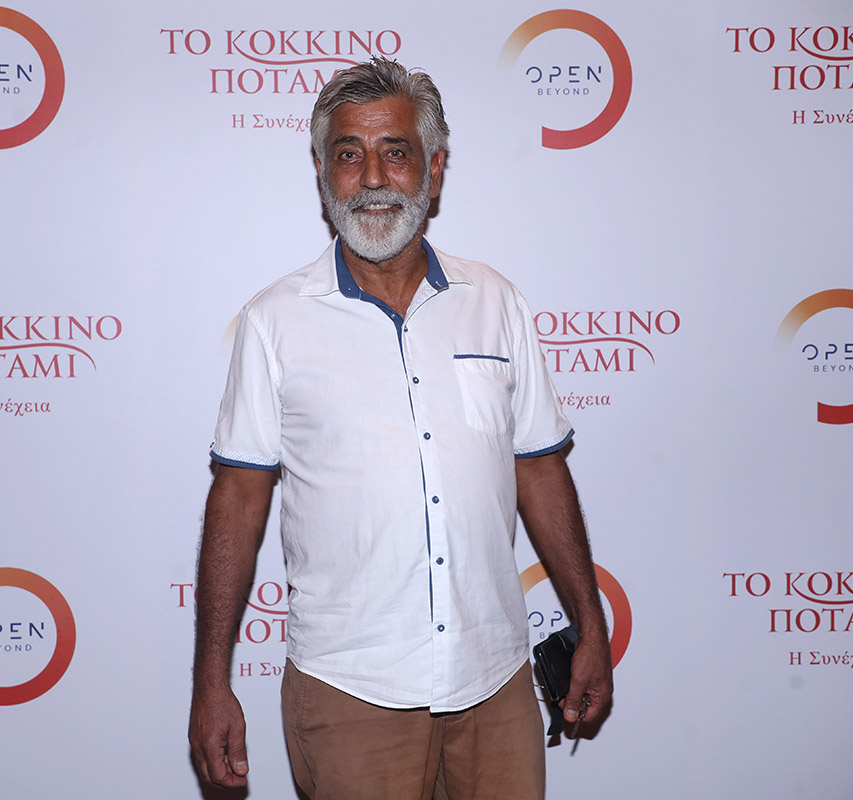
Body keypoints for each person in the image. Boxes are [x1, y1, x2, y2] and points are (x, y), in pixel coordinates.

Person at [188, 57, 612, 799]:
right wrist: (210, 683)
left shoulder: (497, 303)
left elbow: (540, 470)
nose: (374, 177)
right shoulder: (274, 321)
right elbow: (238, 500)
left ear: (434, 170)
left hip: (495, 682)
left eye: (396, 152)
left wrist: (591, 624)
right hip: (350, 690)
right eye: (349, 154)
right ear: (323, 174)